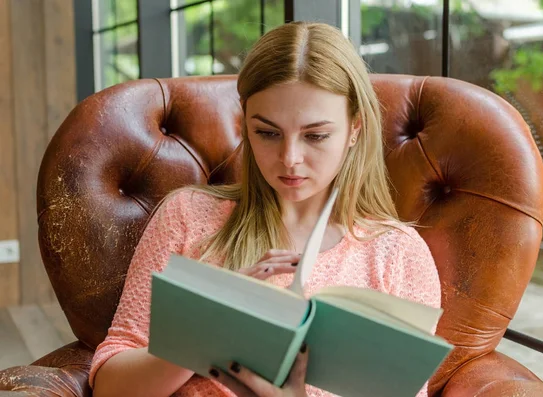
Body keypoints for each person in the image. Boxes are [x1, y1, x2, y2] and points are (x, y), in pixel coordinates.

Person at [90, 21, 441, 397]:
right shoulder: (188, 216)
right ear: (244, 125)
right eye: (268, 133)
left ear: (354, 128)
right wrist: (208, 330)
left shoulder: (397, 254)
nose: (290, 158)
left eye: (316, 135)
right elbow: (110, 387)